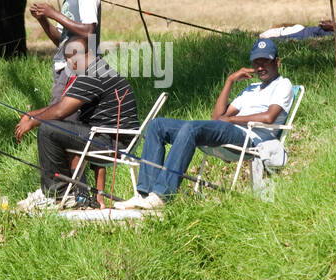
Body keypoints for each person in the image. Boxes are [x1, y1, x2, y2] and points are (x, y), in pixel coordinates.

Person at [116, 38, 295, 209]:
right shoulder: (251, 88)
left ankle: (162, 195)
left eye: (266, 62)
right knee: (157, 125)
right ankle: (145, 195)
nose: (260, 67)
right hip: (229, 130)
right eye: (257, 62)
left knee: (191, 128)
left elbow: (269, 117)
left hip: (250, 138)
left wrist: (231, 120)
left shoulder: (283, 85)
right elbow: (216, 117)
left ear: (277, 62)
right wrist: (230, 81)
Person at [13, 37, 135, 211]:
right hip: (114, 139)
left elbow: (61, 111)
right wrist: (31, 115)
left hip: (111, 144)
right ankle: (63, 193)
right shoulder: (100, 69)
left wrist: (33, 122)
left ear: (72, 58)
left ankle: (59, 194)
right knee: (60, 127)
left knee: (49, 129)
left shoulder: (91, 75)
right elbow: (61, 106)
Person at [29, 0, 100, 119]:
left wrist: (54, 14)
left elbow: (89, 30)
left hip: (77, 67)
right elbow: (60, 41)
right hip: (64, 65)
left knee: (59, 120)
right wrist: (43, 20)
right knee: (60, 117)